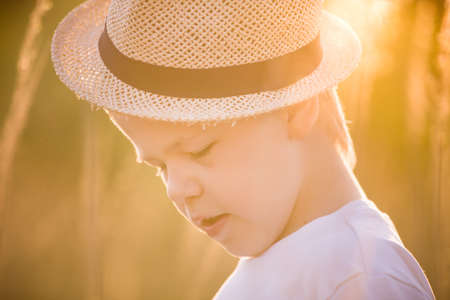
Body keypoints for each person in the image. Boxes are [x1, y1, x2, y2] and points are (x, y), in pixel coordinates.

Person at [51, 0, 435, 299]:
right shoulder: (298, 267)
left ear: (296, 107)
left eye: (199, 151)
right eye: (160, 167)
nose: (176, 190)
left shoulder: (361, 275)